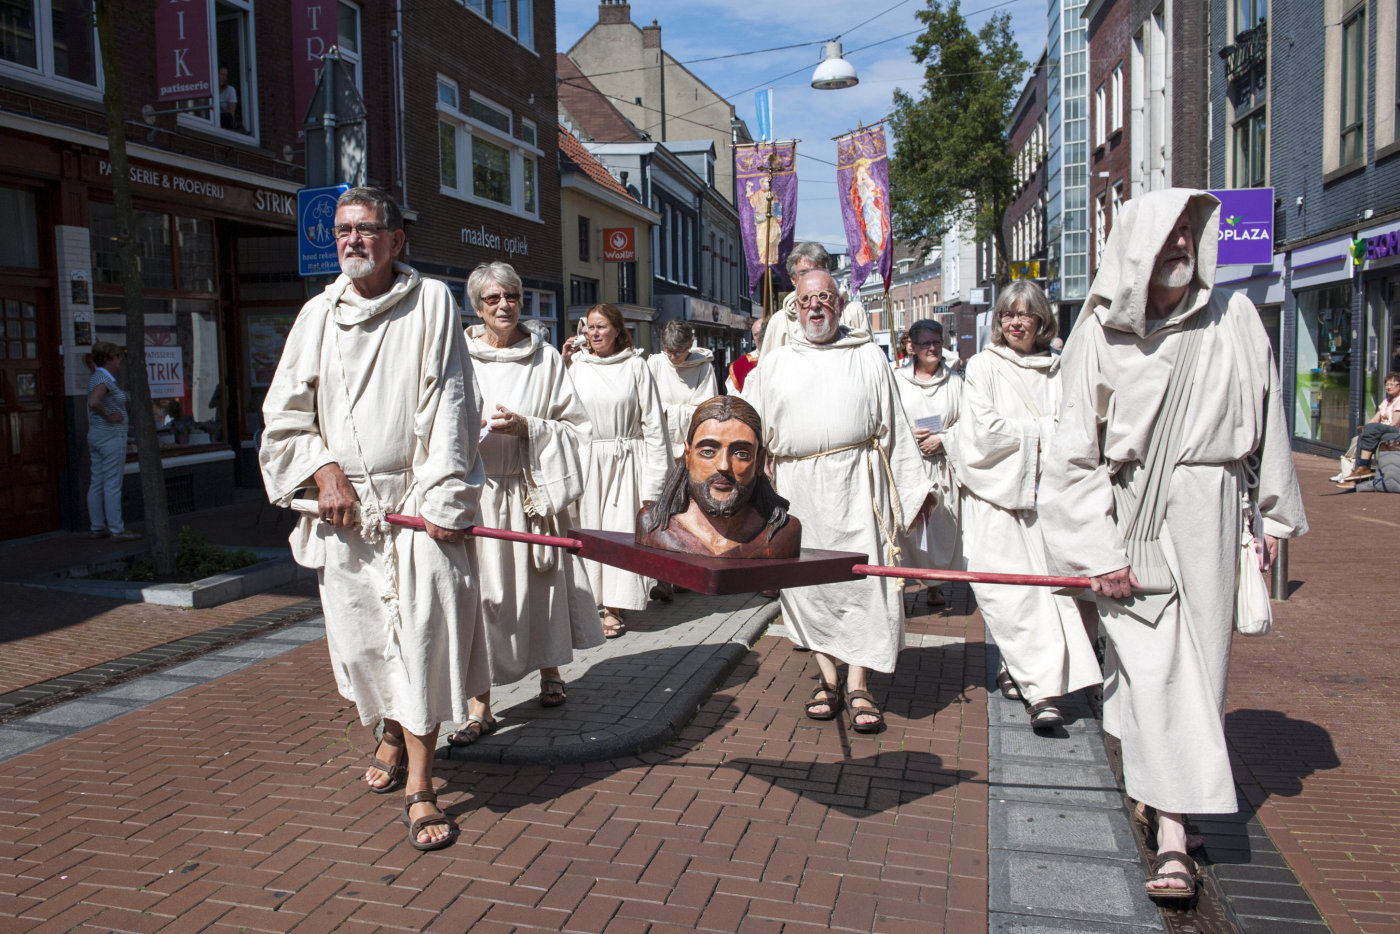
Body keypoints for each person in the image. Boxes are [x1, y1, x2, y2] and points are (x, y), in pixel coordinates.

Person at [1039, 188, 1307, 903]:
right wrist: (1097, 551)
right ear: (1137, 247)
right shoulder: (1098, 337)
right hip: (1130, 518)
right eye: (1169, 232)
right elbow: (1072, 455)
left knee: (1201, 671)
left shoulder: (1235, 318)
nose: (1183, 243)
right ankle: (1173, 835)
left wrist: (1272, 518)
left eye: (1190, 231)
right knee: (1154, 670)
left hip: (1211, 515)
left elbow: (1269, 418)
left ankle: (1164, 796)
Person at [259, 186, 488, 852]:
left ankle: (421, 785)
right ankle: (390, 728)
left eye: (365, 229)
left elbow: (451, 404)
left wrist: (444, 499)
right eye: (342, 231)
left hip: (417, 501)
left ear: (395, 240)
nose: (352, 241)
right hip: (347, 515)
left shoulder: (431, 302)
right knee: (364, 647)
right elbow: (284, 415)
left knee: (421, 643)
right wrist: (323, 471)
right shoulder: (316, 316)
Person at [749, 268, 933, 733]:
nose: (816, 306)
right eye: (807, 300)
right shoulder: (774, 364)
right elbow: (749, 429)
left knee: (863, 585)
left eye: (826, 298)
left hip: (859, 487)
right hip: (797, 490)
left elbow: (895, 426)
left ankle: (859, 683)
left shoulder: (868, 356)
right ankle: (827, 677)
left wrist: (915, 492)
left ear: (840, 304)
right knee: (809, 588)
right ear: (794, 308)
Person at [447, 262, 603, 748]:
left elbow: (577, 428)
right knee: (483, 600)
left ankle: (550, 669)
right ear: (477, 307)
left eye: (511, 296)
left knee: (542, 588)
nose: (504, 305)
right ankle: (480, 702)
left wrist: (529, 429)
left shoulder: (545, 359)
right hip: (478, 496)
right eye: (492, 298)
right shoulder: (457, 356)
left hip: (531, 490)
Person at [952, 280, 1100, 731]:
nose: (1016, 322)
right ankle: (1037, 686)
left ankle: (1038, 688)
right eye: (1008, 314)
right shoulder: (983, 367)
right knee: (1011, 598)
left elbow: (1080, 427)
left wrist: (1036, 431)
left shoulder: (1059, 369)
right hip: (995, 499)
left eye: (1026, 314)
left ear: (1041, 320)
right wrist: (1046, 429)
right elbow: (984, 433)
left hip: (1049, 501)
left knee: (1055, 599)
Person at [564, 303, 671, 638]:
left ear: (617, 330)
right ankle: (589, 602)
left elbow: (654, 424)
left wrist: (656, 479)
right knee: (589, 532)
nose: (593, 333)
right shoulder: (577, 367)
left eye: (601, 327)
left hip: (626, 461)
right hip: (588, 459)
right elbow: (561, 415)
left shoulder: (635, 366)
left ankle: (615, 607)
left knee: (620, 531)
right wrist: (563, 363)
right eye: (589, 327)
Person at [637, 395, 801, 558]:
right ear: (688, 455)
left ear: (759, 461)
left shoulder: (782, 533)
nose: (723, 466)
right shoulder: (653, 524)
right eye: (708, 452)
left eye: (741, 454)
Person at [894, 319, 962, 606]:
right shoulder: (897, 381)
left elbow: (969, 423)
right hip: (909, 466)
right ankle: (901, 583)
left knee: (940, 529)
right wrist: (908, 433)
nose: (932, 348)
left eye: (937, 342)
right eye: (926, 343)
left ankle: (935, 584)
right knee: (907, 529)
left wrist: (943, 439)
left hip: (942, 465)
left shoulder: (956, 383)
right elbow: (889, 419)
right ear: (913, 347)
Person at [759, 242, 871, 356]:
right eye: (803, 273)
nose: (812, 277)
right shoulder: (780, 322)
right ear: (793, 279)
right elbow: (770, 365)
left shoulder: (853, 312)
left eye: (818, 270)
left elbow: (869, 359)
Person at [86, 341, 139, 542]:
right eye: (117, 356)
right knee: (112, 483)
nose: (120, 360)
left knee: (97, 481)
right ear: (108, 358)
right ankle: (117, 529)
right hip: (111, 436)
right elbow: (94, 401)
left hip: (97, 434)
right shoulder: (104, 379)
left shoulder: (96, 376)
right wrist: (109, 416)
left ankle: (97, 526)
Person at [647, 320, 719, 461]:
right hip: (659, 444)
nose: (673, 357)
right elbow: (645, 405)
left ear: (690, 345)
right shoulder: (655, 363)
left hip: (691, 445)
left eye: (678, 352)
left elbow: (706, 410)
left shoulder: (703, 367)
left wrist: (667, 412)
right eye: (669, 351)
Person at [1337, 370, 1400, 484]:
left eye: (1392, 384)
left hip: (1394, 430)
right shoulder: (1387, 401)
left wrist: (1375, 429)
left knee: (1371, 430)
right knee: (1361, 437)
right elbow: (1375, 419)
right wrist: (1367, 428)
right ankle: (1356, 472)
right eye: (1386, 384)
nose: (1388, 387)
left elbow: (1395, 423)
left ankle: (1363, 467)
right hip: (1382, 429)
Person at [726, 317, 765, 397]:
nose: (759, 337)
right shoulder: (741, 364)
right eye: (756, 334)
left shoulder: (782, 358)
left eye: (762, 333)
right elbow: (734, 398)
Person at [218, 65, 238, 130]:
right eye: (222, 75)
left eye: (225, 75)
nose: (224, 78)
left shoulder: (230, 90)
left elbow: (231, 114)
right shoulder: (211, 91)